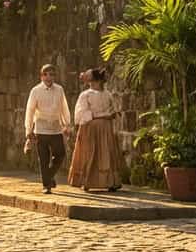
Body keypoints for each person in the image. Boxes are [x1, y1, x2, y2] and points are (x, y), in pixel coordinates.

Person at [68, 67, 123, 192]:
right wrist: (101, 115)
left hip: (106, 127)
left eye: (94, 80)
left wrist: (113, 114)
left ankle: (109, 181)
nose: (93, 83)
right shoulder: (86, 95)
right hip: (91, 127)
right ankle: (87, 181)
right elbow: (81, 113)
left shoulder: (107, 94)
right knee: (90, 152)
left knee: (106, 153)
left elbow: (113, 108)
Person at [24, 64, 71, 194]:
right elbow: (30, 111)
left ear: (55, 76)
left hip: (56, 128)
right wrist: (28, 129)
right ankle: (46, 185)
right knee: (44, 159)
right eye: (46, 74)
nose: (48, 77)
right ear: (41, 76)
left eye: (51, 74)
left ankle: (49, 176)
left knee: (60, 154)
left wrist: (67, 124)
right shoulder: (35, 91)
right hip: (41, 129)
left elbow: (64, 108)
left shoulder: (59, 89)